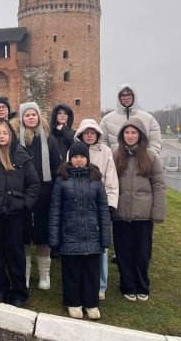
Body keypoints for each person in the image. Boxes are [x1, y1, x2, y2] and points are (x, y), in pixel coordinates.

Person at [0, 120, 40, 307]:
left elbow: (34, 185)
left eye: (5, 132)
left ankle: (19, 292)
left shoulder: (22, 157)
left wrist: (23, 206)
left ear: (11, 135)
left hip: (14, 214)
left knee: (15, 254)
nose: (2, 136)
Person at [49, 142, 111, 320]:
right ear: (70, 159)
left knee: (91, 272)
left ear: (87, 159)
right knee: (72, 271)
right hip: (70, 234)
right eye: (75, 157)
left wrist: (105, 238)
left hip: (92, 235)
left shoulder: (96, 180)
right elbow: (55, 210)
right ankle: (73, 302)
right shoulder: (62, 180)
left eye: (82, 157)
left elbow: (103, 210)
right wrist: (54, 238)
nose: (78, 160)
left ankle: (91, 303)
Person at [111, 120, 166, 302]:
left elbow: (158, 186)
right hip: (121, 213)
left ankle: (142, 284)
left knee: (142, 252)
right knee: (123, 252)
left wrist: (157, 212)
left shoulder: (150, 157)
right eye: (126, 133)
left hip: (143, 215)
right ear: (122, 136)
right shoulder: (116, 155)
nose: (130, 136)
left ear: (140, 136)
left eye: (133, 133)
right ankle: (127, 284)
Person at [17, 102, 61, 290]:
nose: (30, 118)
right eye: (27, 115)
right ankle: (24, 274)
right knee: (23, 233)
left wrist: (49, 185)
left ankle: (44, 275)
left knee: (43, 233)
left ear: (39, 116)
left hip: (44, 192)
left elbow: (56, 166)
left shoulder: (49, 140)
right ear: (22, 118)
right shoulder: (17, 140)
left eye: (33, 114)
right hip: (22, 191)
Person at [74, 119, 118, 301]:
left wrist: (110, 205)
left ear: (98, 134)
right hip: (78, 206)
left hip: (99, 206)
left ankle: (101, 284)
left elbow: (112, 180)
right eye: (86, 132)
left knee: (101, 247)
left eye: (93, 132)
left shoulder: (106, 152)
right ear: (82, 134)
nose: (90, 135)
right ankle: (83, 281)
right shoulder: (74, 151)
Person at [100, 84, 162, 155]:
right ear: (119, 97)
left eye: (129, 95)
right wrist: (109, 158)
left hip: (142, 163)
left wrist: (148, 158)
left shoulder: (149, 119)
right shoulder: (107, 119)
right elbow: (102, 142)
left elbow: (155, 143)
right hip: (116, 163)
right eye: (123, 95)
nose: (126, 98)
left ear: (134, 96)